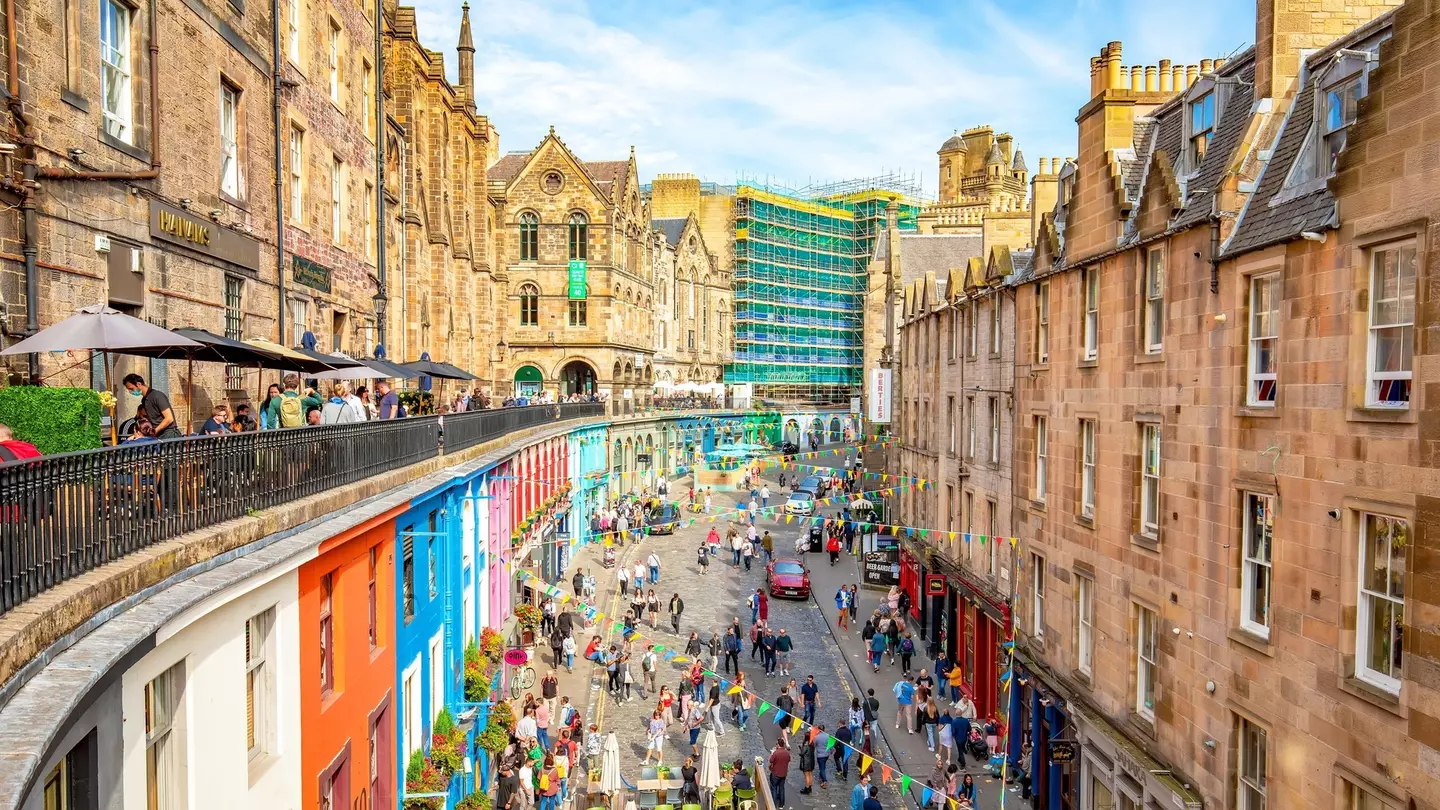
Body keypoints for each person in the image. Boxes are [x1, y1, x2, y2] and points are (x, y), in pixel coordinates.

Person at [122, 373, 182, 438]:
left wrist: (154, 432)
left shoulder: (157, 396)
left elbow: (169, 419)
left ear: (139, 384)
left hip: (169, 434)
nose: (130, 392)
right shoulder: (144, 400)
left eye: (131, 389)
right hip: (158, 435)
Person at [768, 738, 791, 809]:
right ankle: (781, 804)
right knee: (781, 788)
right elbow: (789, 760)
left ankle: (773, 804)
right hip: (783, 773)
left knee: (774, 788)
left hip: (775, 773)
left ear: (778, 744)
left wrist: (771, 754)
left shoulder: (776, 753)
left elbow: (770, 761)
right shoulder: (787, 752)